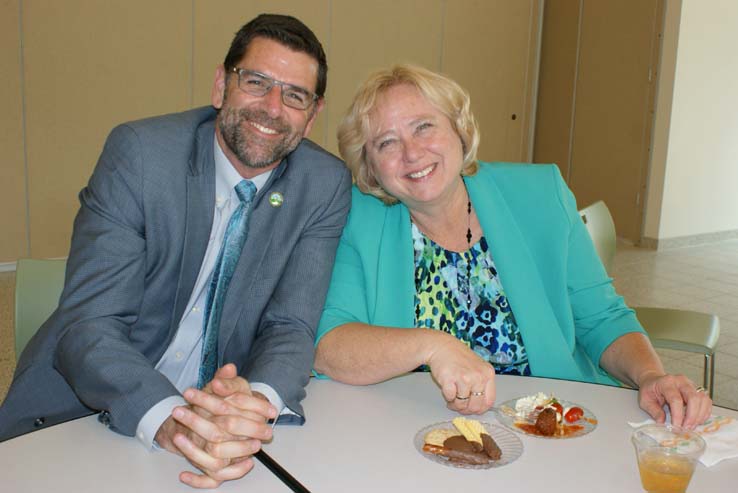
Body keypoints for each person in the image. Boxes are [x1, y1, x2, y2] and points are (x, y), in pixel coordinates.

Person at [0, 13, 351, 489]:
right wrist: (171, 420)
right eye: (256, 81)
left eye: (294, 95)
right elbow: (90, 323)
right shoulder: (141, 156)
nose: (272, 107)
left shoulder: (324, 184)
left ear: (311, 118)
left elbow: (290, 326)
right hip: (90, 411)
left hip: (219, 422)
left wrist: (254, 402)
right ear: (220, 86)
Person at [313, 64, 712, 430]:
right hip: (422, 429)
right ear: (369, 167)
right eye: (386, 142)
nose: (412, 153)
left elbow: (601, 318)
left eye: (423, 127)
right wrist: (431, 345)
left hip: (552, 425)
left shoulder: (539, 194)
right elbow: (330, 346)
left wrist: (650, 376)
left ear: (459, 129)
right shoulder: (358, 218)